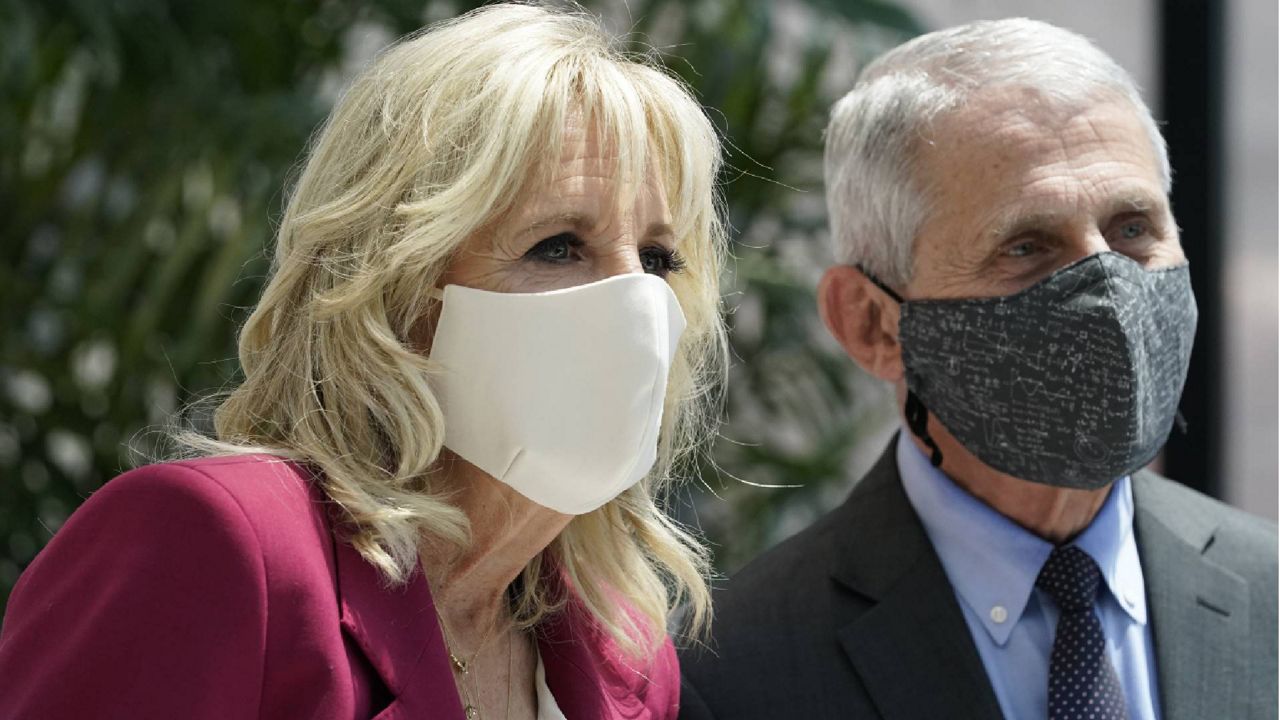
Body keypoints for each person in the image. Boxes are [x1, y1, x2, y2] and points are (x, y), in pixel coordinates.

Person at [0, 4, 729, 718]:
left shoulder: (627, 659)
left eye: (658, 258)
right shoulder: (223, 551)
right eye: (559, 245)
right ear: (399, 292)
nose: (634, 301)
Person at [679, 17, 1277, 720]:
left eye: (1133, 229)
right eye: (1027, 247)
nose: (1108, 294)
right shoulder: (737, 672)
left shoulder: (1266, 590)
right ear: (872, 323)